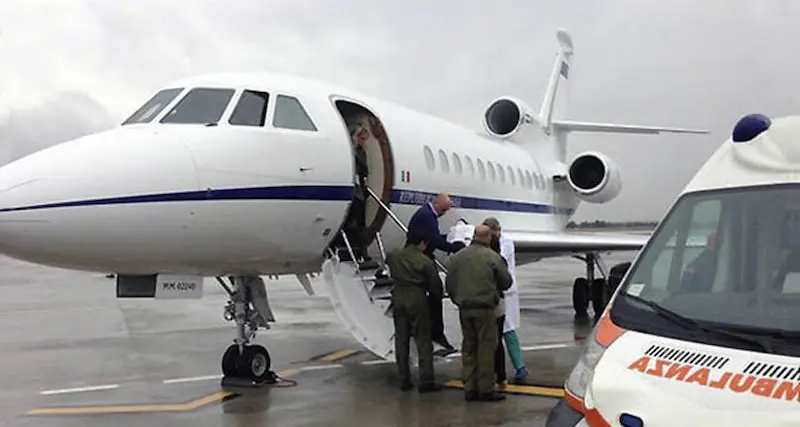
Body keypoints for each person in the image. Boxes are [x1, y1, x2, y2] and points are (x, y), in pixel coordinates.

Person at [446, 225, 513, 402]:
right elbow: (506, 282)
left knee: (469, 348)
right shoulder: (492, 257)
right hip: (485, 310)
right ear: (488, 238)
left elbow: (449, 283)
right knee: (486, 348)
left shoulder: (458, 257)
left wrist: (458, 299)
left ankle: (469, 388)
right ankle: (486, 389)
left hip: (465, 309)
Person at [385, 228, 444, 393]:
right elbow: (435, 287)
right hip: (417, 298)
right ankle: (426, 380)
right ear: (423, 243)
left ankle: (404, 378)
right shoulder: (424, 261)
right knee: (423, 340)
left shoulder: (394, 256)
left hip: (398, 297)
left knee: (401, 339)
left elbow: (387, 259)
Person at [407, 193, 465, 353]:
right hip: (420, 260)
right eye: (444, 210)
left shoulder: (426, 214)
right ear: (438, 204)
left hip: (421, 258)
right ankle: (436, 334)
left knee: (432, 293)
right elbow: (434, 240)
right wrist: (454, 247)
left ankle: (434, 333)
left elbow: (433, 237)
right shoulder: (427, 216)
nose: (444, 213)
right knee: (435, 292)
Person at [483, 217, 528, 383]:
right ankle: (494, 370)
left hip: (506, 292)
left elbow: (498, 259)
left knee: (508, 330)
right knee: (494, 332)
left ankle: (520, 367)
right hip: (492, 292)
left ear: (496, 231)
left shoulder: (506, 242)